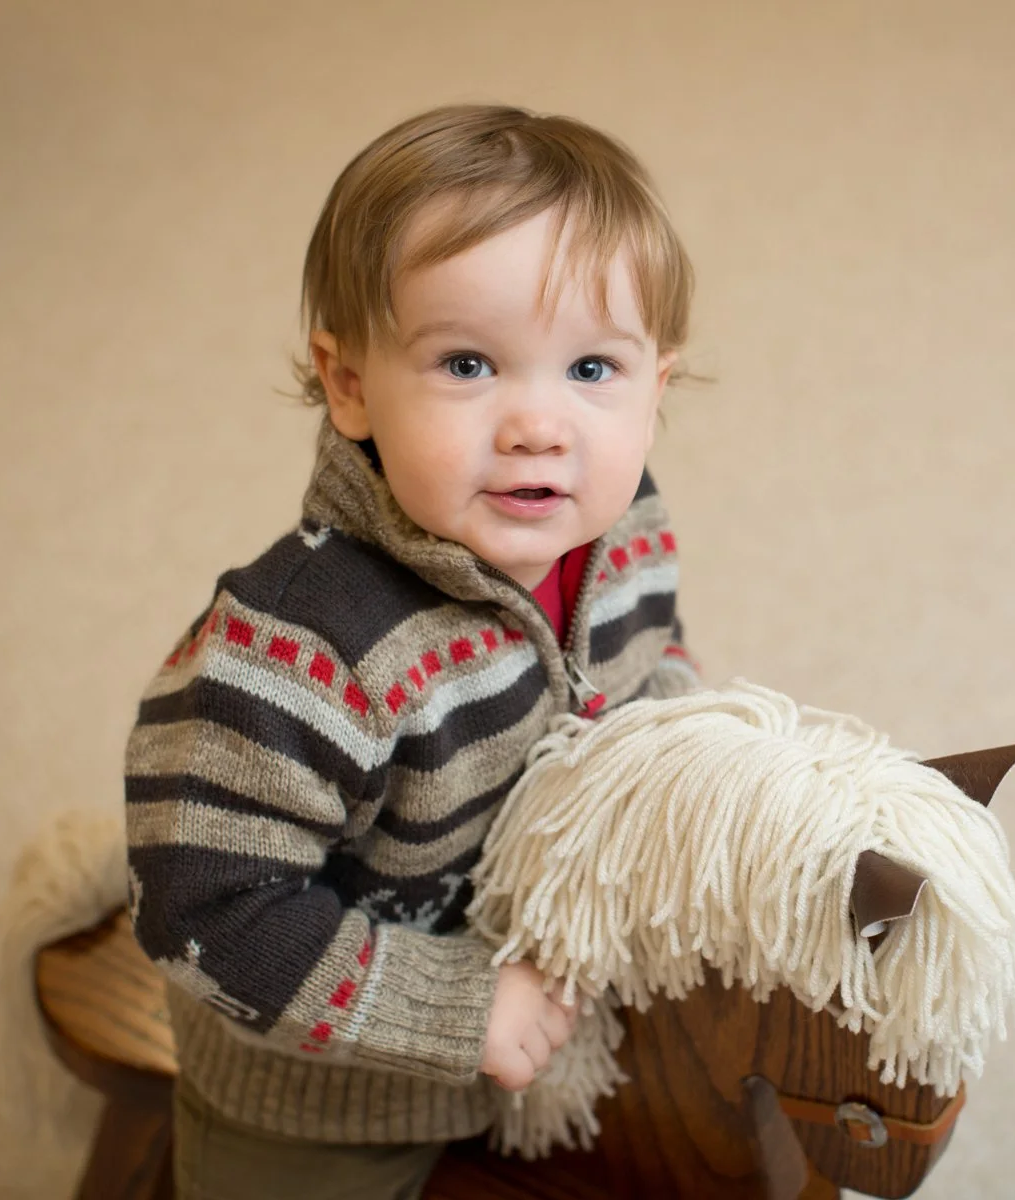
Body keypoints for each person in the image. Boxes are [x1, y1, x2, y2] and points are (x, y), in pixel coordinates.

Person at [123, 103, 704, 1200]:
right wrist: (461, 1008)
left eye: (592, 369)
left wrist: (691, 750)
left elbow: (644, 657)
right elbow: (205, 908)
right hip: (325, 1096)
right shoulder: (298, 652)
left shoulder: (622, 520)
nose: (540, 427)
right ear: (350, 384)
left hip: (559, 1005)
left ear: (657, 385)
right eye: (469, 363)